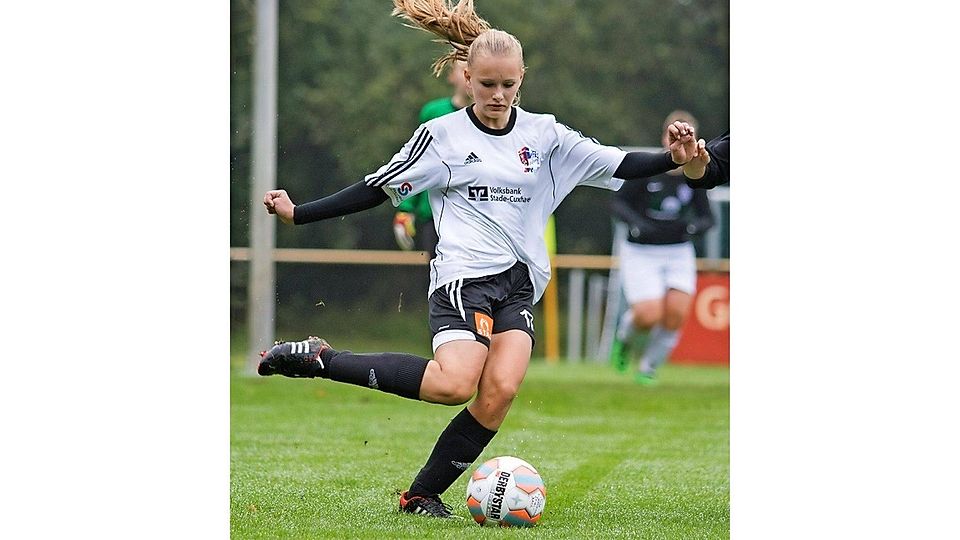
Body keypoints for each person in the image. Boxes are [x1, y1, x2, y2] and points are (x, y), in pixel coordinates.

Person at [258, 0, 701, 519]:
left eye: (507, 85)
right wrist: (299, 214)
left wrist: (673, 158)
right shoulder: (442, 136)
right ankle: (321, 359)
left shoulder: (546, 135)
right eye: (486, 84)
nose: (497, 96)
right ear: (467, 78)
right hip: (463, 279)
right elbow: (377, 187)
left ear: (521, 80)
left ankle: (421, 495)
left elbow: (620, 162)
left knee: (500, 390)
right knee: (454, 385)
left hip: (519, 283)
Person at [609, 111, 715, 384]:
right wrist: (638, 224)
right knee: (648, 314)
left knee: (676, 314)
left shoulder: (695, 174)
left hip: (678, 251)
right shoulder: (649, 168)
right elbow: (618, 204)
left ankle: (648, 368)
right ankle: (624, 341)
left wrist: (691, 229)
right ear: (665, 137)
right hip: (641, 251)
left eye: (687, 137)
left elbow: (708, 218)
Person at [393, 60, 471, 256]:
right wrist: (406, 208)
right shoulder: (434, 114)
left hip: (475, 213)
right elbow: (417, 164)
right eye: (463, 71)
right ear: (451, 75)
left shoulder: (495, 118)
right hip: (435, 215)